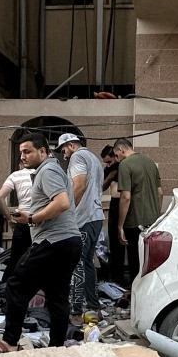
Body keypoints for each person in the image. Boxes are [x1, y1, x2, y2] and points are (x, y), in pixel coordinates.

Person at [0, 133, 81, 352]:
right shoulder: (52, 169)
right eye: (21, 152)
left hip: (53, 241)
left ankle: (10, 341)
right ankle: (56, 348)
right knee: (56, 296)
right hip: (68, 241)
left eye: (28, 151)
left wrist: (31, 219)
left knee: (16, 285)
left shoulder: (48, 170)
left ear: (42, 151)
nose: (23, 156)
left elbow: (61, 203)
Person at [57, 133, 104, 326]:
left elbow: (79, 185)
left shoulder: (77, 157)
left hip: (83, 219)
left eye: (63, 150)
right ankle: (93, 307)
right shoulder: (94, 158)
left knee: (76, 264)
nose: (64, 155)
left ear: (70, 145)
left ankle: (76, 311)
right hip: (96, 217)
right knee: (88, 264)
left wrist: (67, 211)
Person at [114, 138, 162, 285]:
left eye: (116, 155)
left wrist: (120, 225)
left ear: (121, 150)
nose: (116, 159)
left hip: (134, 222)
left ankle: (136, 297)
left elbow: (126, 197)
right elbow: (160, 193)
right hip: (152, 222)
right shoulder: (150, 163)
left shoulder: (125, 165)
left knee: (135, 262)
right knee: (149, 261)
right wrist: (156, 215)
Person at [0, 161, 34, 271]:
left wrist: (9, 219)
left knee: (16, 258)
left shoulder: (15, 175)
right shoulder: (42, 173)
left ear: (20, 165)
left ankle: (8, 286)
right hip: (40, 221)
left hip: (21, 221)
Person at [100, 145, 125, 282]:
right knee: (114, 242)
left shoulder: (123, 167)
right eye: (106, 162)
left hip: (121, 202)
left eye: (110, 161)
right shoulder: (109, 170)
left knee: (120, 242)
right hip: (114, 203)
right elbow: (102, 186)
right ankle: (115, 274)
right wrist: (110, 174)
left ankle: (119, 275)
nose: (108, 164)